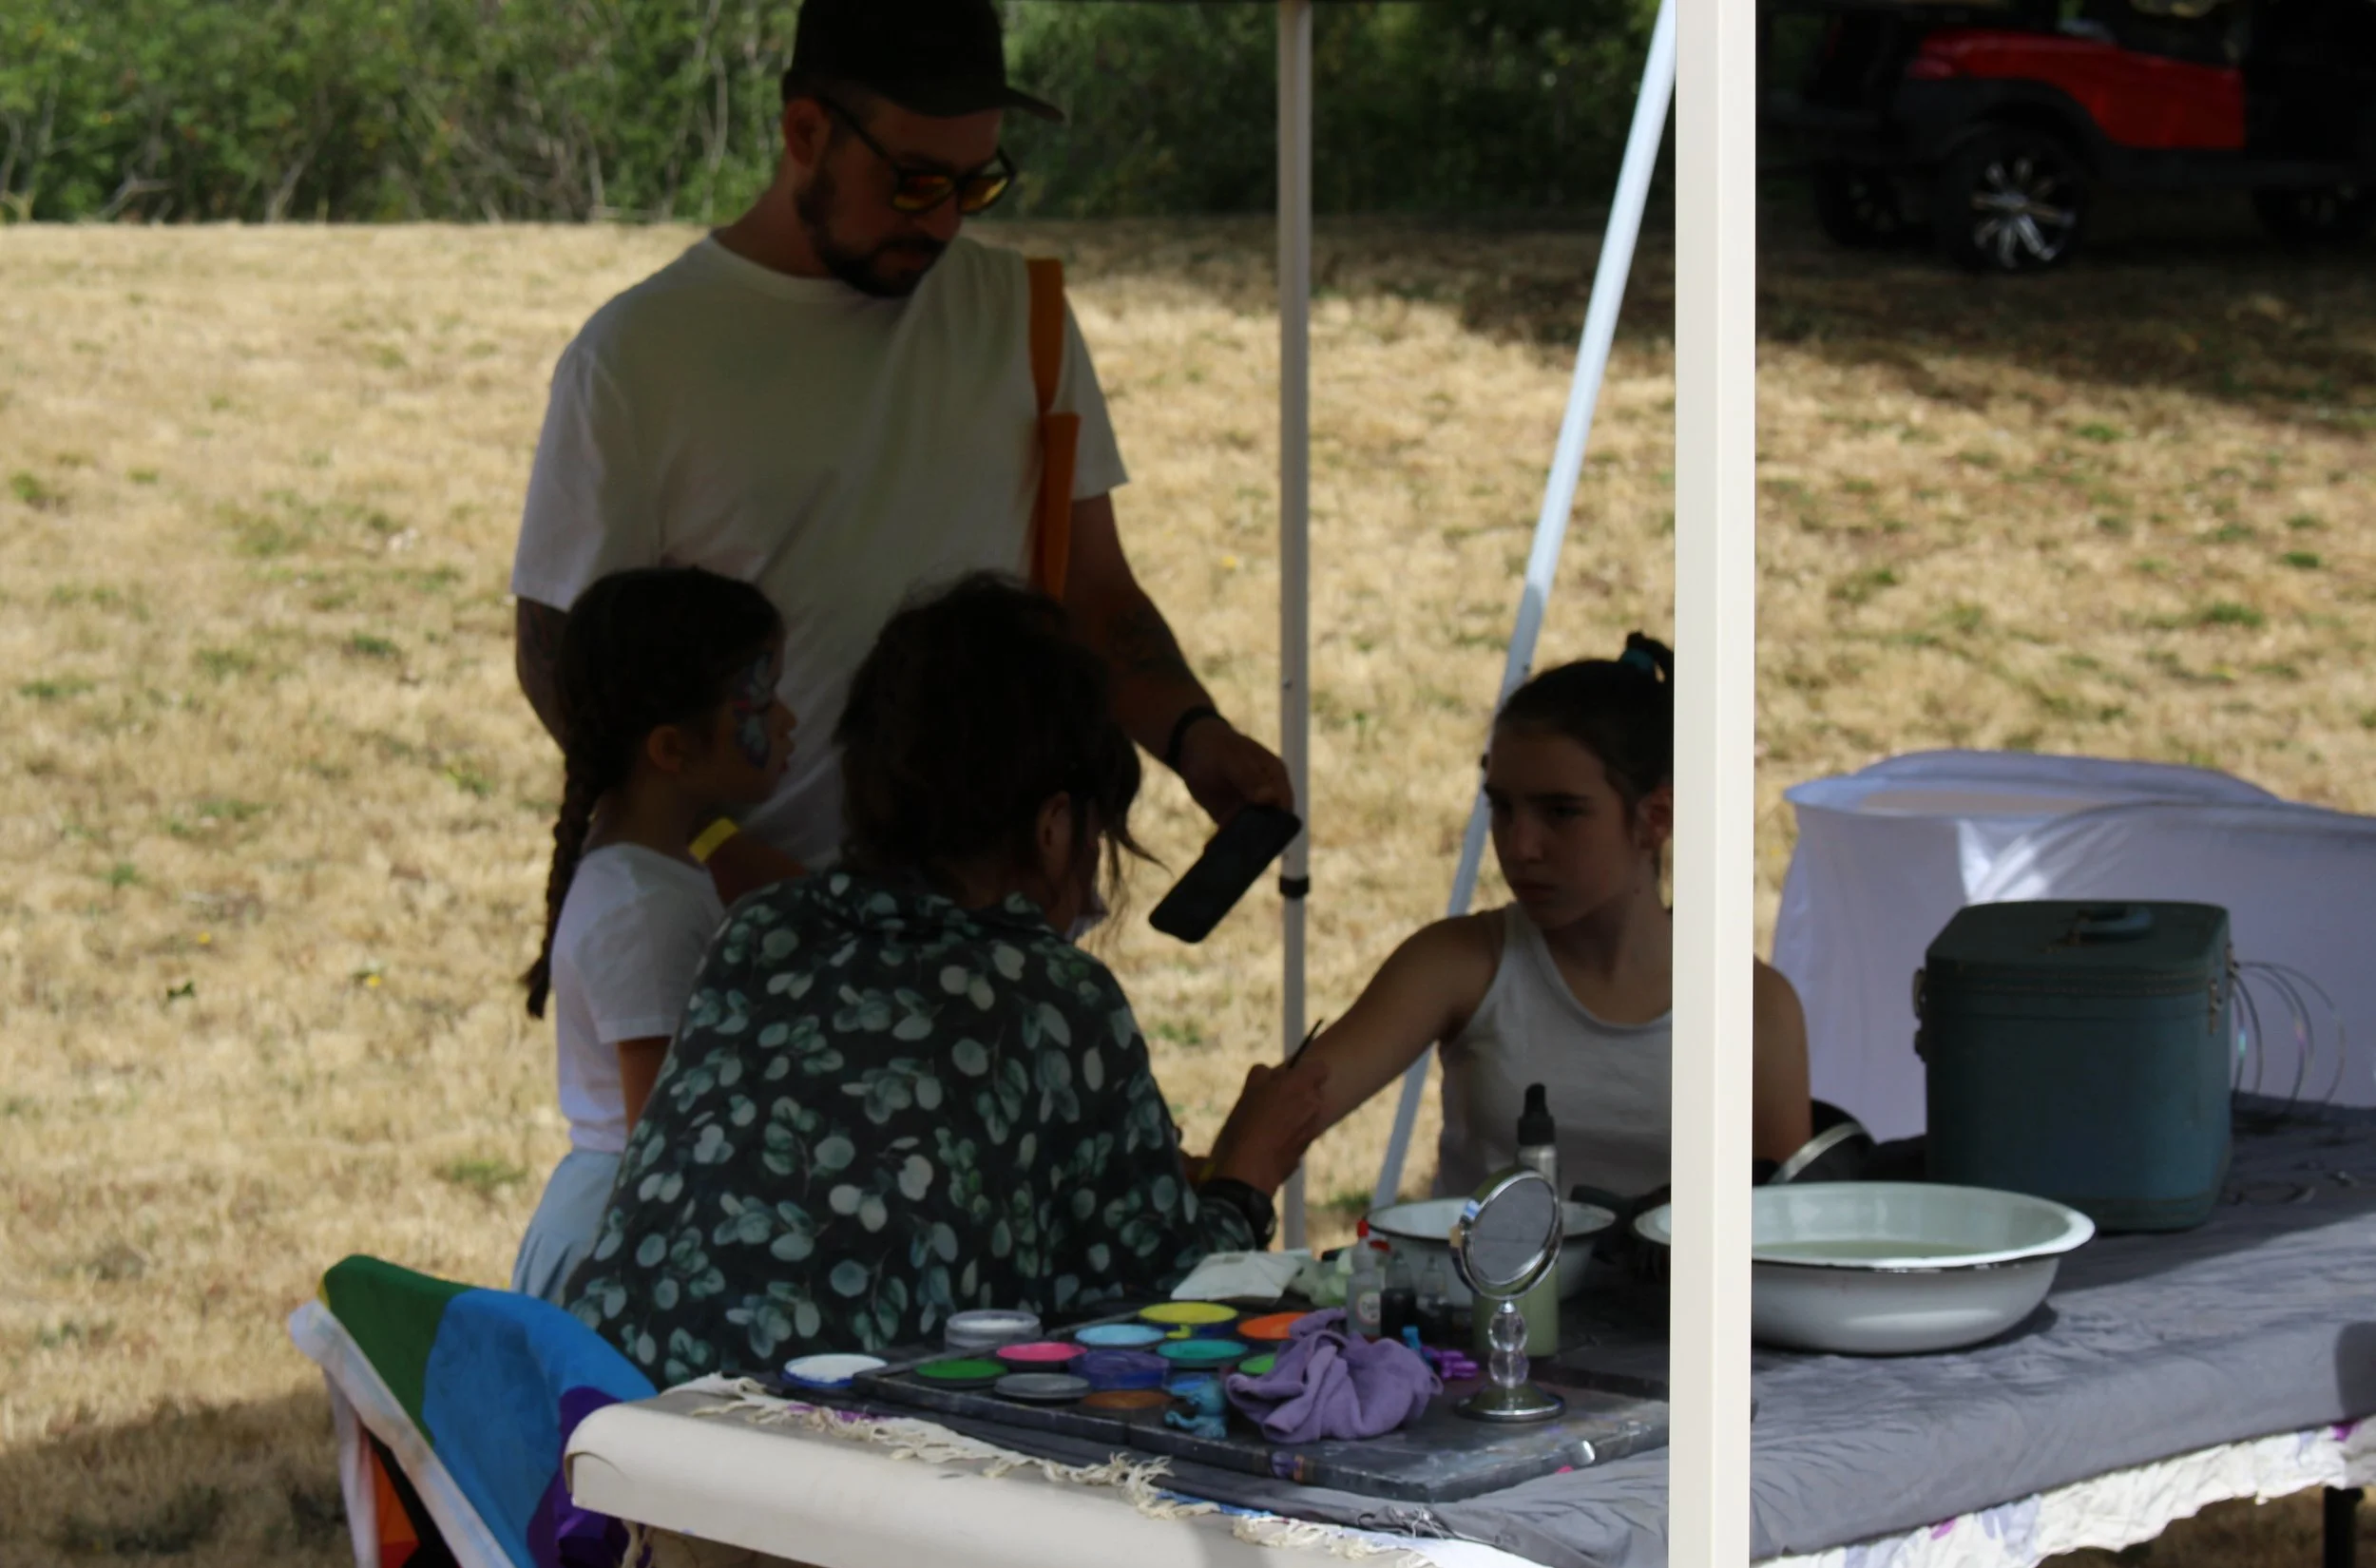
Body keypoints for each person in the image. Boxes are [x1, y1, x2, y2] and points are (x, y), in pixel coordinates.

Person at [509, 0, 1289, 904]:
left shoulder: (1020, 317)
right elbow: (560, 656)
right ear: (806, 130)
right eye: (917, 182)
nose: (948, 222)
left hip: (984, 949)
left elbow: (1091, 588)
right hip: (741, 958)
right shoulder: (640, 357)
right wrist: (719, 848)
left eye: (975, 184)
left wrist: (1194, 735)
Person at [565, 577, 1324, 1380]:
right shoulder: (1054, 999)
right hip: (796, 1460)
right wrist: (1246, 1173)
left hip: (607, 1417)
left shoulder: (766, 929)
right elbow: (1146, 1315)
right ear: (1055, 827)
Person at [1298, 636, 1811, 1205]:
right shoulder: (1459, 964)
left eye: (1560, 813)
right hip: (1483, 1295)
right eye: (1502, 808)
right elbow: (1292, 1106)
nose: (1520, 846)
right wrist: (1221, 1203)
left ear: (1655, 817)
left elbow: (1786, 1234)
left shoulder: (1756, 1009)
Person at [510, 568, 795, 1304]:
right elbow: (658, 1141)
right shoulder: (643, 911)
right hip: (622, 1253)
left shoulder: (655, 878)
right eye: (760, 704)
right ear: (672, 748)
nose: (789, 721)